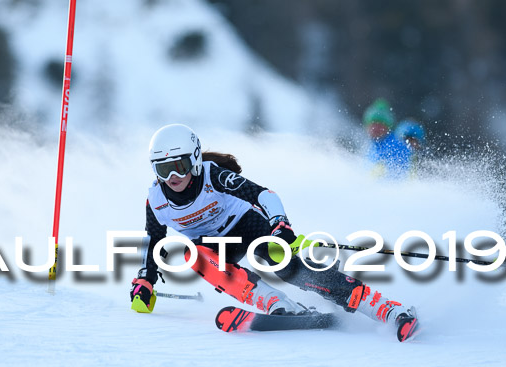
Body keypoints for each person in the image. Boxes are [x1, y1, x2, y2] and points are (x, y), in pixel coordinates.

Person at [130, 123, 419, 341]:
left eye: (179, 166)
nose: (173, 177)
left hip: (245, 226)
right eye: (163, 169)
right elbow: (153, 240)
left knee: (287, 267)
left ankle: (386, 309)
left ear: (194, 159)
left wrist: (280, 224)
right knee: (197, 258)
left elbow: (263, 195)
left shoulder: (213, 176)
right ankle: (277, 304)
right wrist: (146, 279)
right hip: (211, 245)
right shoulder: (156, 200)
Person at [362, 99, 412, 179]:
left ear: (388, 128)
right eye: (373, 124)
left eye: (380, 125)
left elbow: (398, 177)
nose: (375, 128)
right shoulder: (371, 146)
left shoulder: (396, 146)